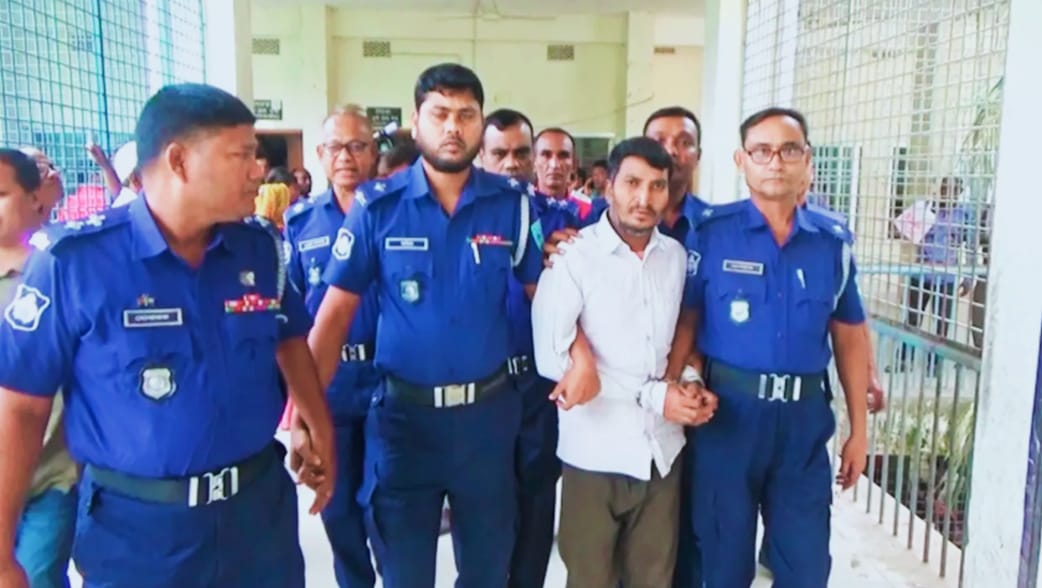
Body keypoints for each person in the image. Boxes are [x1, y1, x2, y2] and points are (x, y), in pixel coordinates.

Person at [0, 83, 336, 588]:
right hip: (139, 532)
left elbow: (288, 337)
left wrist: (318, 423)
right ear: (178, 160)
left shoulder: (258, 249)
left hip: (257, 516)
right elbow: (21, 408)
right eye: (241, 155)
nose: (258, 170)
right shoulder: (74, 264)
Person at [306, 63, 544, 587]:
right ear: (416, 122)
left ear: (480, 122)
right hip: (404, 423)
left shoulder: (512, 205)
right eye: (439, 114)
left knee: (487, 570)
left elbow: (543, 300)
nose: (453, 127)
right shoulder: (377, 208)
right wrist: (306, 411)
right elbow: (334, 315)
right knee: (404, 571)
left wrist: (581, 358)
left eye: (466, 115)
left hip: (487, 421)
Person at [678, 107, 869, 587]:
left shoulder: (831, 244)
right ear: (741, 160)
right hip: (728, 419)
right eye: (762, 151)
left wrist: (859, 430)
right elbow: (686, 322)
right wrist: (679, 381)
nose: (776, 162)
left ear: (807, 159)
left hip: (803, 425)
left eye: (788, 150)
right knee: (722, 565)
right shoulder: (711, 235)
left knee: (806, 567)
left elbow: (849, 335)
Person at [533, 137, 716, 588]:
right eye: (632, 183)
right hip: (595, 456)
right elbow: (552, 358)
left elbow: (675, 341)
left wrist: (689, 380)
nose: (644, 198)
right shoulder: (574, 257)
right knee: (590, 579)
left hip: (661, 453)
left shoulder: (675, 258)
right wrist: (652, 395)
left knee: (653, 579)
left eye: (657, 186)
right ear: (608, 185)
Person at [283, 104, 380, 588]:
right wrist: (297, 408)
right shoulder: (300, 222)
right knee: (338, 510)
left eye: (357, 146)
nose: (346, 156)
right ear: (320, 155)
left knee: (386, 507)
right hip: (330, 385)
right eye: (335, 147)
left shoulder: (391, 214)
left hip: (386, 383)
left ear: (373, 152)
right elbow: (291, 314)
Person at [480, 107, 574, 588]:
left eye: (521, 153)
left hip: (538, 383)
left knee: (537, 502)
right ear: (481, 156)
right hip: (483, 385)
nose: (512, 163)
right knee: (485, 507)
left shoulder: (558, 219)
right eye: (500, 153)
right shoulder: (464, 215)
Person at [0, 149, 76, 588]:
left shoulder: (61, 271)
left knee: (39, 575)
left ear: (36, 197)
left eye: (1, 194)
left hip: (53, 472)